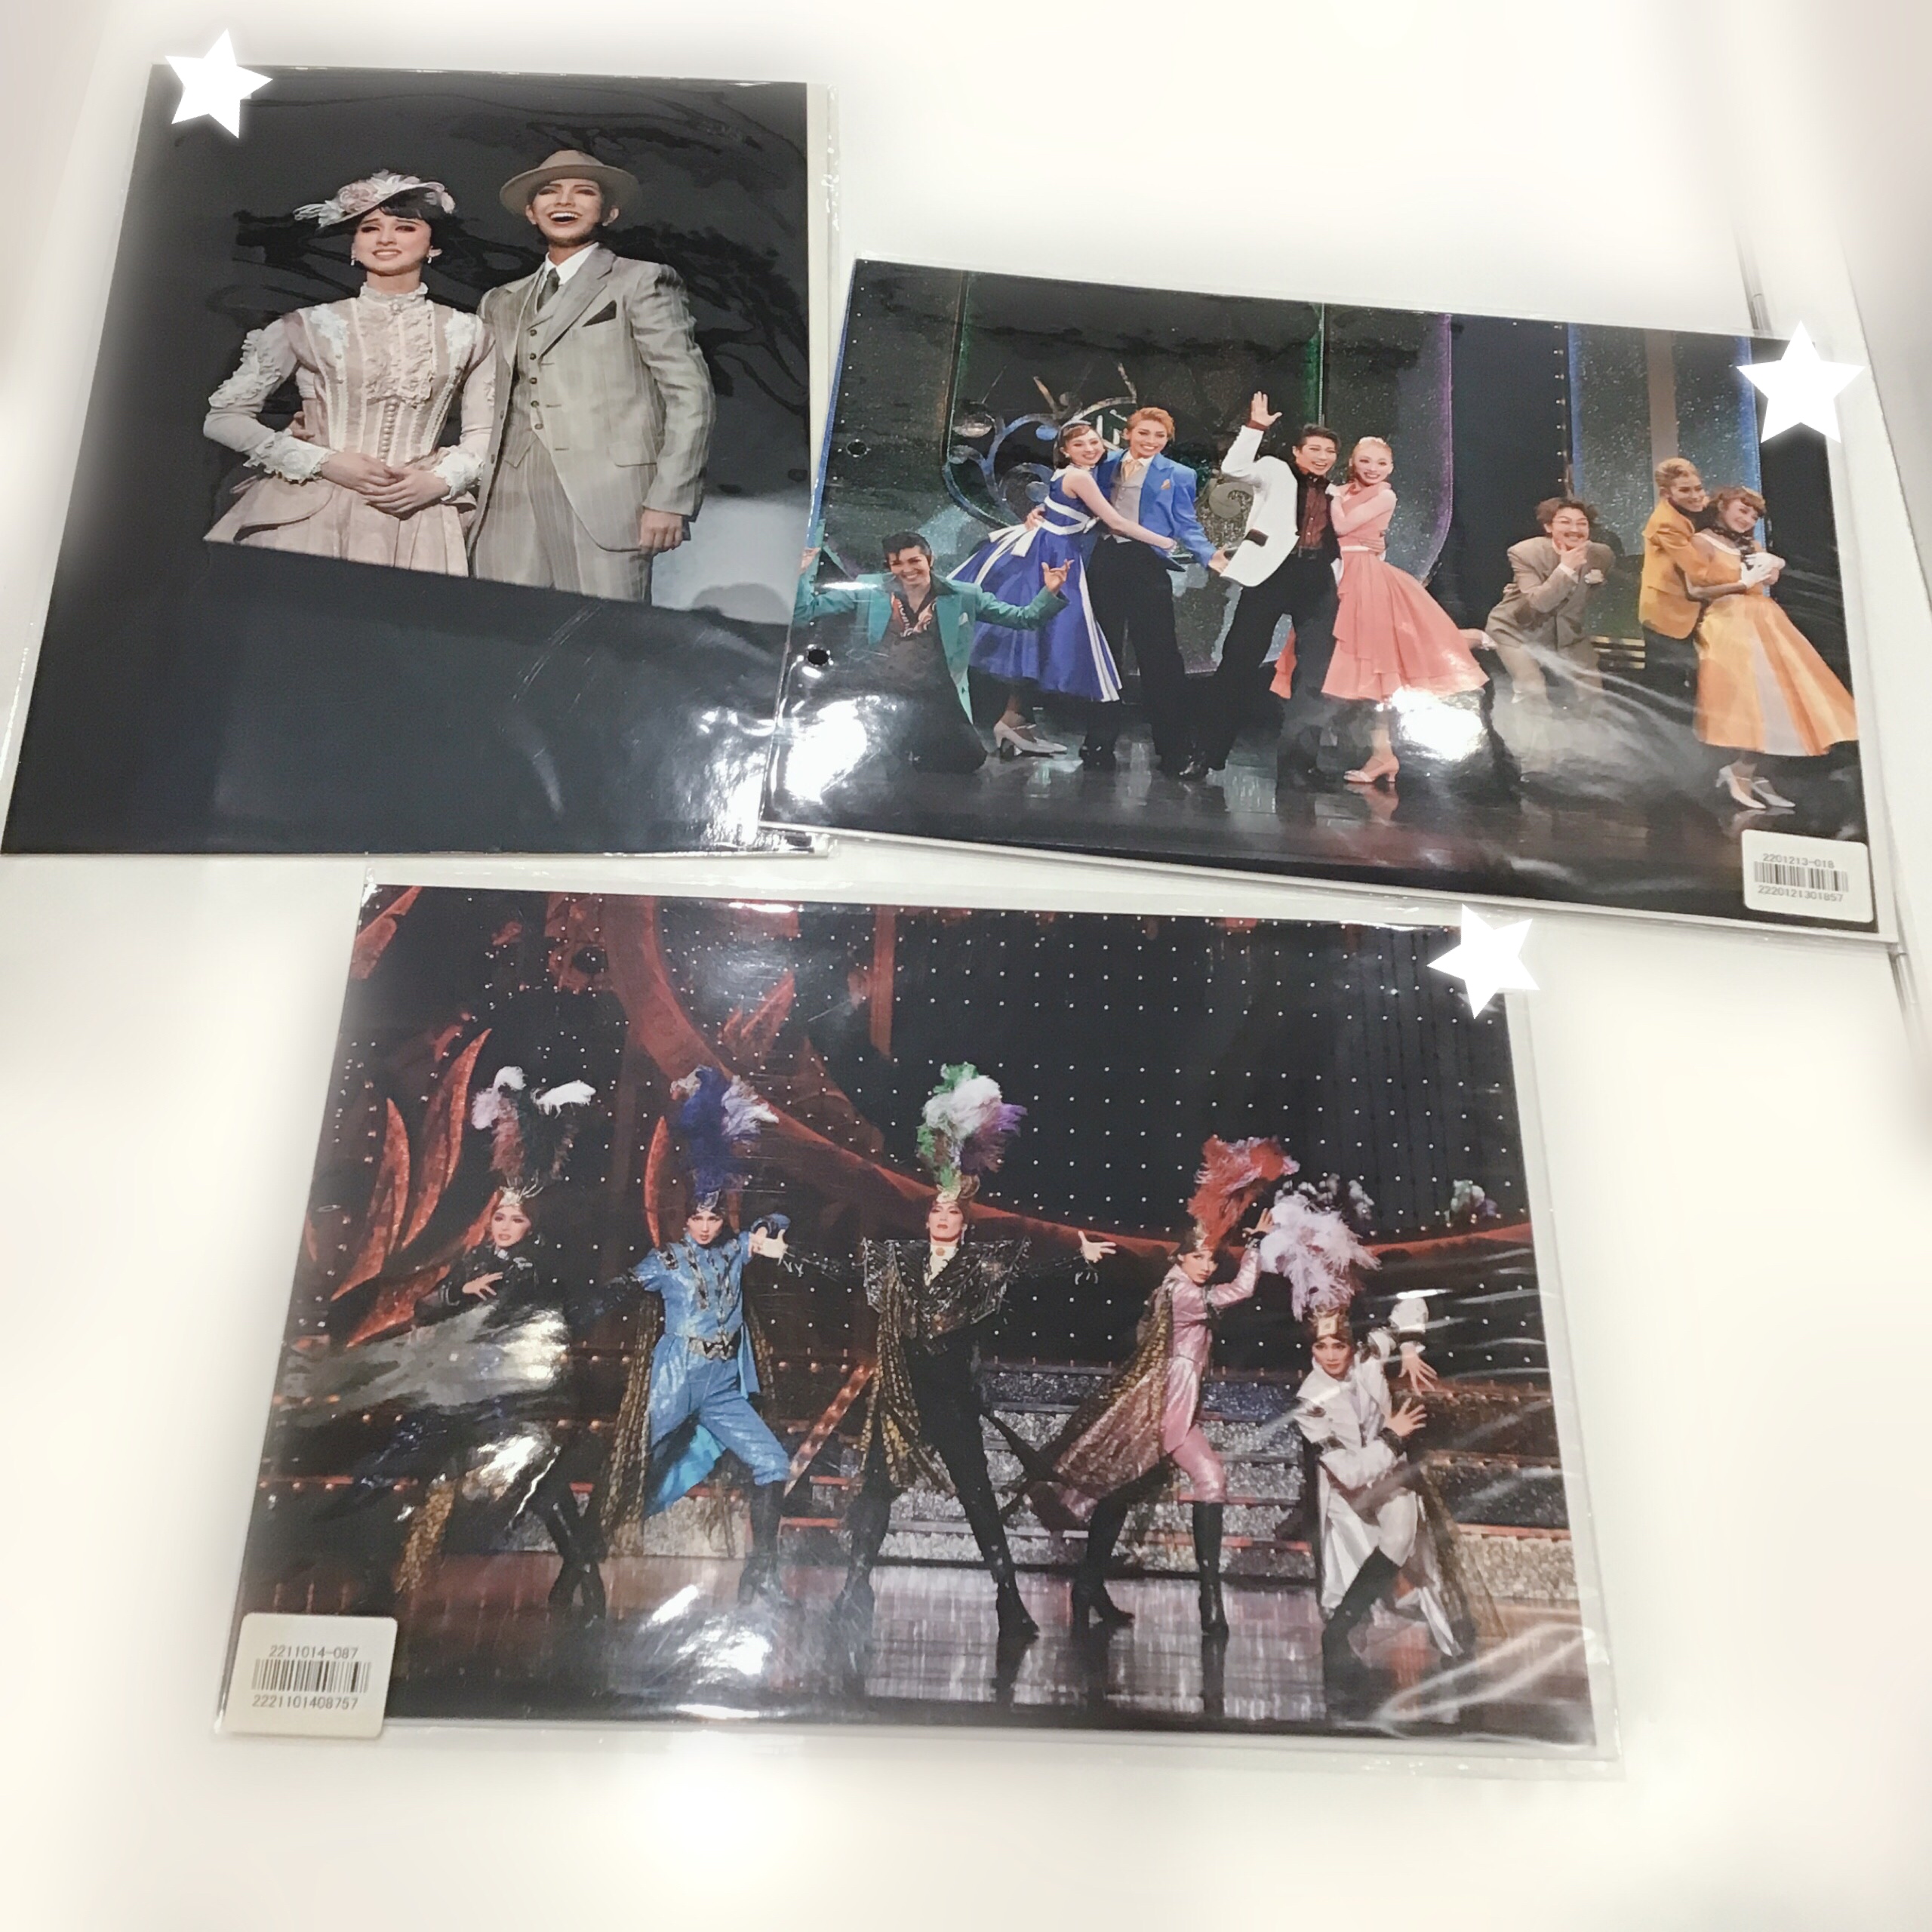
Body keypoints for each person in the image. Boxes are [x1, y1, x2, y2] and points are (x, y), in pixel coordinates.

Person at [801, 1066, 1112, 1647]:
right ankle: (855, 1587)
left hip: (950, 1399)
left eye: (952, 1215)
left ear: (963, 1227)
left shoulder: (979, 1269)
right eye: (936, 1213)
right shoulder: (898, 1263)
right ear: (927, 1221)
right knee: (875, 1490)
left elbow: (1030, 1276)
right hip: (901, 1398)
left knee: (977, 1495)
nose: (943, 1220)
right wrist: (787, 1256)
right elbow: (845, 1273)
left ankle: (1008, 1598)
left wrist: (1079, 1258)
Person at [1042, 1139, 1290, 1638]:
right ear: (1181, 1258)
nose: (1207, 1264)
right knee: (1210, 1478)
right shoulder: (1183, 1294)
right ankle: (1210, 1601)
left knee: (1117, 1497)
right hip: (1168, 1409)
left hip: (1161, 1404)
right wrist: (1255, 1245)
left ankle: (1088, 1585)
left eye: (1210, 1257)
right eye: (1200, 1257)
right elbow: (1242, 1290)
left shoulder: (1177, 1289)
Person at [203, 174, 494, 574]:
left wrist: (440, 480)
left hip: (417, 513)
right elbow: (224, 417)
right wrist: (324, 462)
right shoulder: (307, 325)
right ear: (354, 247)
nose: (385, 238)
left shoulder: (470, 333)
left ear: (434, 246)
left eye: (404, 228)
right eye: (369, 228)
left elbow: (485, 432)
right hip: (311, 512)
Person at [470, 149, 715, 602]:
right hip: (510, 497)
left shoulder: (641, 280)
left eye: (583, 192)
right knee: (507, 625)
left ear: (609, 212)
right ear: (531, 212)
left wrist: (670, 498)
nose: (565, 201)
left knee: (603, 632)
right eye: (550, 192)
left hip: (607, 497)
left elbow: (689, 393)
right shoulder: (500, 300)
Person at [595, 1069, 796, 1608]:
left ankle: (762, 1573)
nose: (705, 1226)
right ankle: (582, 1558)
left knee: (773, 1462)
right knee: (633, 1458)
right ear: (684, 1219)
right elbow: (621, 1290)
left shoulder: (734, 1251)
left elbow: (779, 1218)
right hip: (677, 1376)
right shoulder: (666, 1261)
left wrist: (766, 1228)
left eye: (712, 1217)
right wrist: (582, 1310)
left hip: (723, 1387)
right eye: (697, 1218)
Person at [951, 420, 1176, 758]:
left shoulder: (1079, 473)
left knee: (1039, 638)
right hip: (1053, 555)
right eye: (1080, 445)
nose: (1090, 449)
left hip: (1052, 549)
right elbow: (1115, 522)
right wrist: (1166, 542)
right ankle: (1013, 721)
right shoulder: (1079, 477)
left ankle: (1016, 722)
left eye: (1094, 442)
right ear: (1065, 451)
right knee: (1043, 634)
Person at [1295, 1297, 1460, 1706]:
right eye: (1321, 1346)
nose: (1331, 1355)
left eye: (1338, 1345)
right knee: (1348, 1573)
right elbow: (1350, 1473)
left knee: (1403, 1536)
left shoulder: (1369, 1354)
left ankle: (1343, 1629)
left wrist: (1409, 1347)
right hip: (1347, 1494)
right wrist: (1393, 1436)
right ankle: (1341, 1634)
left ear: (1351, 1344)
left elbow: (1411, 1305)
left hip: (1388, 1478)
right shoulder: (1309, 1401)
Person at [794, 536, 1069, 773]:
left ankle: (916, 744)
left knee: (970, 758)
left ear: (929, 559)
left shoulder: (963, 595)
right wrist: (799, 575)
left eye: (914, 561)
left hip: (935, 695)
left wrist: (1051, 590)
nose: (907, 570)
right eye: (897, 563)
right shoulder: (869, 589)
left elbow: (1024, 618)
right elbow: (806, 611)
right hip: (881, 691)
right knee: (880, 763)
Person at [1184, 401, 1343, 786]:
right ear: (1297, 451)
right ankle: (1206, 754)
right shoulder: (1276, 471)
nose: (1322, 457)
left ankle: (1299, 765)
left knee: (1315, 674)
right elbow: (1235, 468)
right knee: (1237, 664)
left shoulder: (1337, 492)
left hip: (1317, 577)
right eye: (1314, 449)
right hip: (1273, 574)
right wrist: (1254, 427)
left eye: (1329, 452)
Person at [1319, 436, 1488, 788]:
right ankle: (1380, 753)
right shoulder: (1343, 491)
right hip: (1338, 575)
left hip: (1365, 582)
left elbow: (1343, 528)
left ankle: (1461, 641)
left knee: (1376, 668)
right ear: (1353, 462)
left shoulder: (1384, 495)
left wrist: (1331, 497)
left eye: (1381, 463)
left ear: (1391, 468)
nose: (1373, 469)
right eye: (1366, 461)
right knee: (1348, 664)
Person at [1685, 485, 1857, 808]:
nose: (1747, 519)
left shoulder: (1751, 545)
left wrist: (1768, 573)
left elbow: (1765, 579)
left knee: (1786, 702)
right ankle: (1740, 771)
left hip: (1765, 620)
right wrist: (1743, 583)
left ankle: (1754, 773)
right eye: (1742, 510)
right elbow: (1695, 590)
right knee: (1753, 701)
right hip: (1729, 622)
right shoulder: (1702, 541)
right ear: (1722, 507)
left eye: (1753, 515)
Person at [1084, 408, 1220, 772]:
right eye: (1144, 433)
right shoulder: (1102, 464)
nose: (1151, 441)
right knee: (1103, 653)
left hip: (1147, 563)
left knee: (1160, 656)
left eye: (1160, 436)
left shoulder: (1178, 474)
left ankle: (1174, 749)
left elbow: (1187, 524)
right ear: (1127, 433)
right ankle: (1098, 742)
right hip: (1105, 560)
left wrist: (1209, 555)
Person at [1482, 497, 1617, 771]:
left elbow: (1588, 594)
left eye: (1582, 524)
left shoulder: (1602, 555)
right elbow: (1537, 604)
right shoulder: (1525, 553)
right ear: (1548, 527)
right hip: (1515, 631)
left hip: (1566, 634)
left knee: (1591, 692)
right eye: (1565, 522)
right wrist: (1565, 569)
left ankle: (1584, 755)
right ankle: (1535, 760)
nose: (1575, 529)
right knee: (1532, 689)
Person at [1637, 457, 1734, 736]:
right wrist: (1742, 574)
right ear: (1666, 494)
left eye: (1698, 488)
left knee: (1695, 677)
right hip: (1667, 613)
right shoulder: (1666, 523)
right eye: (1685, 490)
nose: (1695, 496)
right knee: (1667, 684)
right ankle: (1665, 742)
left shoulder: (1694, 509)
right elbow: (1698, 570)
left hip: (1691, 609)